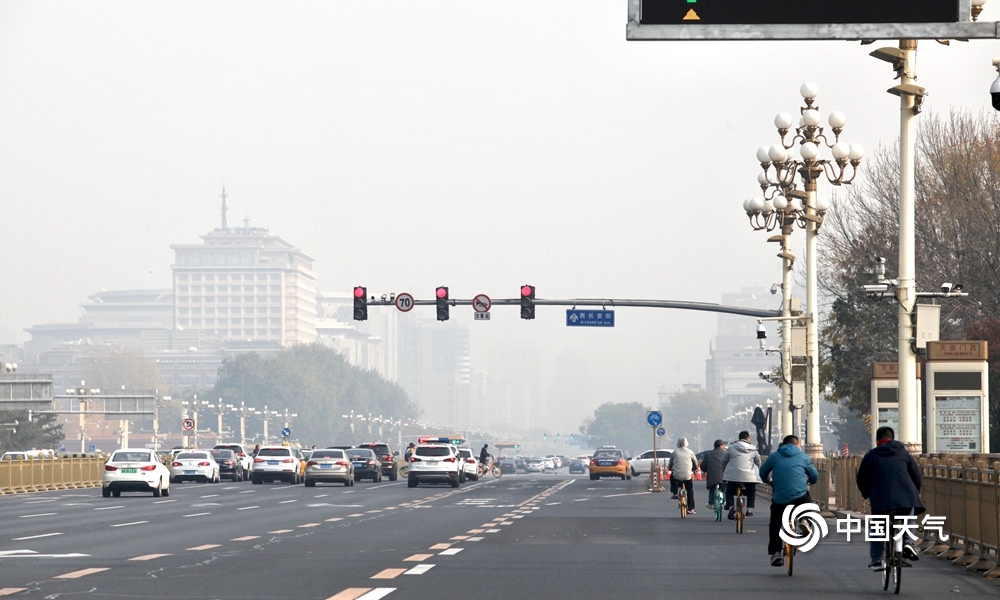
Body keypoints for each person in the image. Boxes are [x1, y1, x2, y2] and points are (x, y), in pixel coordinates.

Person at [856, 426, 924, 569]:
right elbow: (916, 476)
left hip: (881, 499)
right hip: (906, 497)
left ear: (877, 440)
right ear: (893, 438)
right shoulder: (904, 454)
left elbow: (861, 478)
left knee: (878, 526)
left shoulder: (872, 455)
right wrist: (914, 494)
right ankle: (908, 542)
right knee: (908, 517)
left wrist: (866, 494)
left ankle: (876, 559)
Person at [759, 434, 819, 567]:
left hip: (780, 498)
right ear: (797, 445)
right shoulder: (803, 457)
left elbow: (762, 472)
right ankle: (804, 520)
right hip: (799, 496)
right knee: (807, 502)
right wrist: (808, 481)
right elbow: (814, 476)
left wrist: (769, 481)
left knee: (775, 523)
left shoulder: (774, 456)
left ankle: (776, 553)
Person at [722, 430, 762, 519]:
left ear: (739, 438)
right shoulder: (753, 449)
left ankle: (731, 507)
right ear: (748, 438)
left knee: (729, 491)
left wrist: (724, 470)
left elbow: (724, 460)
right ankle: (749, 510)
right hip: (749, 476)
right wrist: (757, 471)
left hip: (733, 476)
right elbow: (758, 462)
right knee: (751, 491)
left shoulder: (731, 447)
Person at [667, 437, 698, 514]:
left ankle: (674, 493)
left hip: (677, 476)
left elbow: (670, 463)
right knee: (690, 491)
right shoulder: (690, 452)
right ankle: (690, 508)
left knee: (672, 477)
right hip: (687, 476)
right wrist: (694, 468)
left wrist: (670, 468)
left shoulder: (675, 452)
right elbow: (695, 462)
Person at [700, 439, 727, 509]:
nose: (724, 447)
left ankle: (711, 503)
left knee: (712, 489)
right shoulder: (726, 454)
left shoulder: (708, 454)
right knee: (723, 488)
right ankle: (724, 501)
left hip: (712, 477)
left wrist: (707, 470)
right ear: (721, 446)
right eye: (724, 445)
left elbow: (703, 466)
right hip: (723, 476)